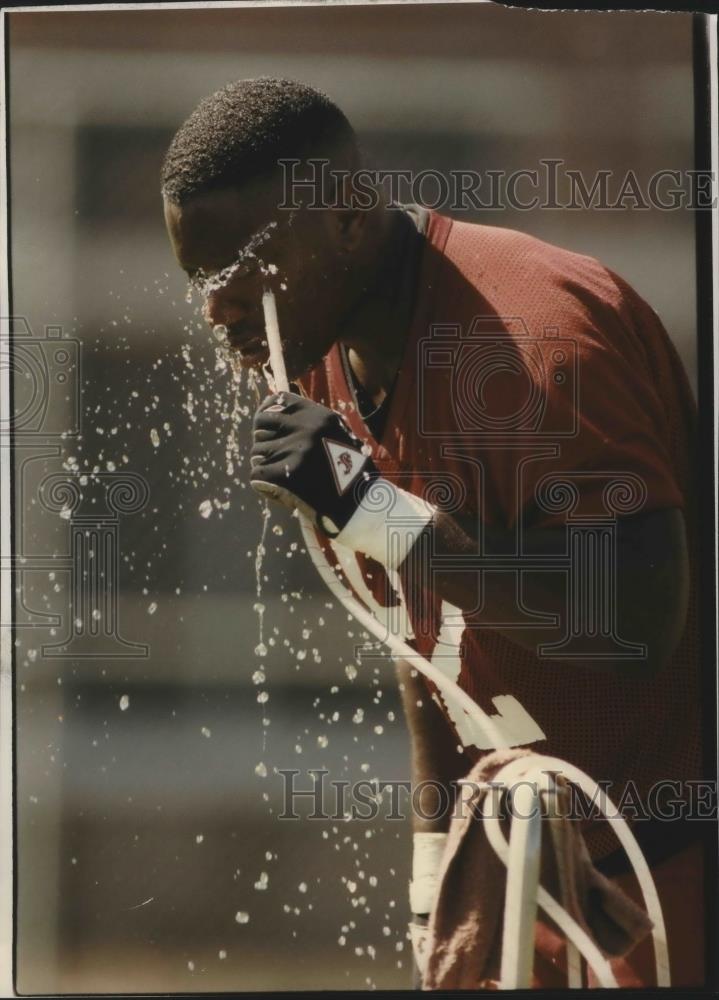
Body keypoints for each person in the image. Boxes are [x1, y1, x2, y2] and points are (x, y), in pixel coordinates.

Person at [161, 77, 705, 987]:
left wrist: (374, 511)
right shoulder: (315, 340)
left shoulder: (536, 333)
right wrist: (428, 889)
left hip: (671, 865)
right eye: (197, 280)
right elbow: (432, 643)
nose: (216, 309)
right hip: (527, 876)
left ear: (341, 217)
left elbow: (638, 617)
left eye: (240, 272)